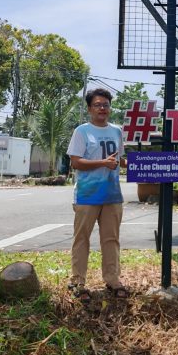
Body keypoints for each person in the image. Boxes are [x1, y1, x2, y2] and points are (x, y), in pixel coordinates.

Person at [66, 87, 128, 301]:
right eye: (98, 105)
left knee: (111, 239)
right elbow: (75, 162)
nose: (102, 108)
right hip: (87, 195)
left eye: (106, 105)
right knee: (82, 238)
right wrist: (103, 163)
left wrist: (145, 165)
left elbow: (120, 160)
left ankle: (113, 280)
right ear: (90, 108)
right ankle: (77, 281)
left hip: (112, 196)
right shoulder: (82, 131)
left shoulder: (117, 131)